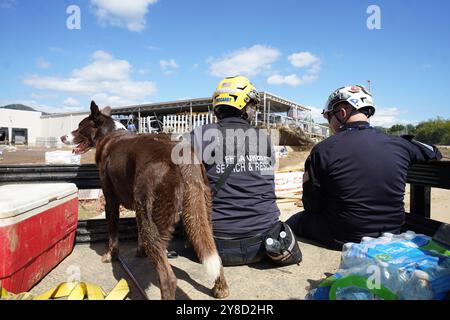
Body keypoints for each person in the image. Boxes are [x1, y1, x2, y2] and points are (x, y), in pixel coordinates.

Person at [286, 85, 442, 250]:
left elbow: (312, 205)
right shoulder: (400, 144)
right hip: (392, 231)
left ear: (342, 112)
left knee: (293, 222)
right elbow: (434, 152)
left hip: (344, 235)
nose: (329, 122)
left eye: (328, 116)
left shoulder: (323, 149)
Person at [190, 76, 300, 266]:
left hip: (215, 247)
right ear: (244, 105)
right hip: (266, 244)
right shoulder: (264, 138)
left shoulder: (201, 136)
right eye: (252, 105)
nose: (254, 110)